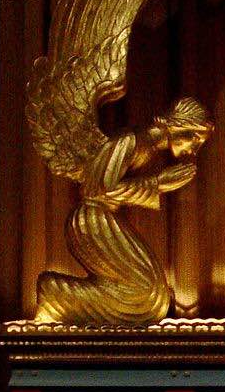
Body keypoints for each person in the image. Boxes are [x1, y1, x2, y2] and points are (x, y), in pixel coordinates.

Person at [35, 98, 213, 324]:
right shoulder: (131, 141)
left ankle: (61, 298)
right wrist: (157, 183)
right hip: (92, 220)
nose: (194, 148)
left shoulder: (147, 147)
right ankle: (54, 293)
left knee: (154, 298)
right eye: (194, 138)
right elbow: (96, 190)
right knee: (147, 295)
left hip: (102, 217)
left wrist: (156, 184)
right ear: (179, 125)